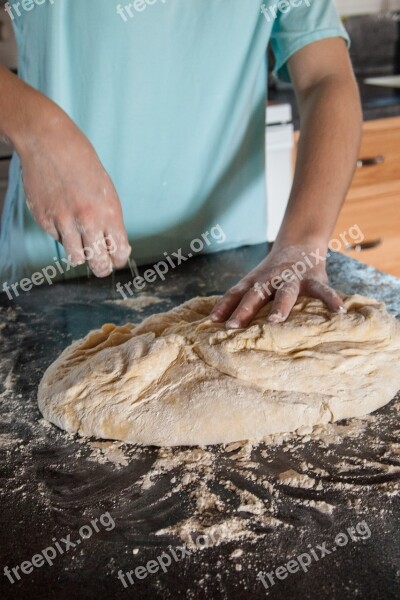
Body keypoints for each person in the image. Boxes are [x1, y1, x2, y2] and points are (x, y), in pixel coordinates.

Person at [0, 0, 362, 328]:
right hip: (53, 273)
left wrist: (302, 241)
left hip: (231, 272)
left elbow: (324, 78)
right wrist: (39, 130)